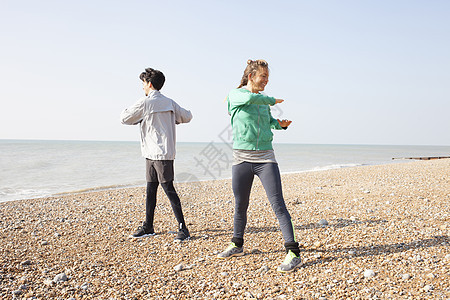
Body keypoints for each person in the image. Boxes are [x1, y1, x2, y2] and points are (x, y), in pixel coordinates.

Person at [217, 59, 302, 272]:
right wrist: (272, 100)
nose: (265, 81)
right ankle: (237, 244)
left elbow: (268, 120)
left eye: (267, 78)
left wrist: (279, 125)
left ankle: (293, 253)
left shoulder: (261, 102)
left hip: (265, 159)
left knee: (278, 204)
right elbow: (251, 98)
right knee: (240, 204)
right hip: (241, 159)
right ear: (250, 76)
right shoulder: (236, 95)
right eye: (262, 77)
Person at [120, 67, 192, 242]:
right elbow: (187, 116)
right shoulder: (170, 102)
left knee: (168, 189)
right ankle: (148, 226)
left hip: (157, 153)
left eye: (143, 84)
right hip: (158, 152)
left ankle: (183, 228)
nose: (142, 87)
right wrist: (173, 118)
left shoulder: (145, 103)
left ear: (149, 84)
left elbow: (124, 118)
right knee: (151, 189)